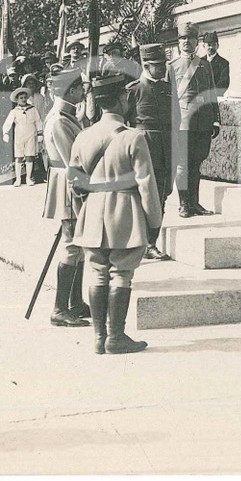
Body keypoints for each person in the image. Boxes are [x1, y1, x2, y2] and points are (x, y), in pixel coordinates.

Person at [67, 73, 163, 355]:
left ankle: (99, 338)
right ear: (122, 99)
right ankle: (116, 337)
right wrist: (153, 222)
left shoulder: (83, 136)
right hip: (125, 212)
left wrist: (83, 214)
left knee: (97, 273)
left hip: (92, 211)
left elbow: (74, 183)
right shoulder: (133, 137)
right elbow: (146, 184)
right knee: (121, 274)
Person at [43, 66, 91, 328]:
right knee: (72, 246)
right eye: (80, 87)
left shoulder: (67, 114)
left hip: (70, 183)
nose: (84, 91)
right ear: (71, 91)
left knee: (78, 245)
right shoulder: (60, 120)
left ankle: (75, 302)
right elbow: (73, 160)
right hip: (69, 186)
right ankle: (60, 309)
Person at [125, 43, 176, 260]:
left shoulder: (168, 89)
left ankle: (151, 243)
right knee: (142, 196)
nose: (163, 68)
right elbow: (122, 123)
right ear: (146, 65)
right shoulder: (134, 90)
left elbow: (176, 118)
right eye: (158, 65)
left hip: (166, 149)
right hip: (143, 149)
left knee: (161, 196)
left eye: (164, 63)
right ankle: (140, 241)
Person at [170, 21, 221, 215]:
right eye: (183, 38)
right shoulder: (172, 66)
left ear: (196, 41)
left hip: (203, 120)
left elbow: (212, 92)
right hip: (183, 121)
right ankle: (184, 204)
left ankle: (195, 203)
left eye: (190, 38)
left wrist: (215, 118)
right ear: (178, 42)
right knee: (183, 164)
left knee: (196, 163)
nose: (186, 42)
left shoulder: (205, 65)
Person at [2, 87, 43, 187]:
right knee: (19, 157)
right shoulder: (14, 111)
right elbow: (7, 123)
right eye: (21, 98)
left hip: (30, 135)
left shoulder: (33, 109)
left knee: (30, 156)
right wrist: (5, 133)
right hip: (19, 136)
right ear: (17, 100)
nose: (23, 99)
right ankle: (18, 179)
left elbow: (38, 121)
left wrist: (40, 133)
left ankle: (28, 178)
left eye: (25, 97)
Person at [201, 31, 231, 97]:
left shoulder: (223, 63)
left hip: (216, 97)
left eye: (214, 45)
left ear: (218, 46)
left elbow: (224, 82)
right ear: (204, 46)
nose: (211, 47)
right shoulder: (199, 62)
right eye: (209, 45)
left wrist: (212, 95)